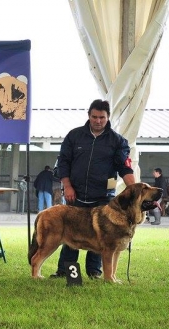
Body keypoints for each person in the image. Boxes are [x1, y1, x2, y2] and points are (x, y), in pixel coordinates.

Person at [51, 99, 135, 279]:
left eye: (102, 118)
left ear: (108, 117)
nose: (98, 121)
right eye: (94, 117)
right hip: (76, 194)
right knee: (70, 233)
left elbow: (125, 168)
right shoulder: (74, 136)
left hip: (104, 196)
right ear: (88, 116)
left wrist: (135, 192)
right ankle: (66, 271)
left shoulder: (118, 141)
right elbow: (63, 162)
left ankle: (94, 271)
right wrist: (67, 186)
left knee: (102, 235)